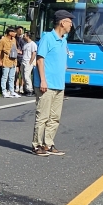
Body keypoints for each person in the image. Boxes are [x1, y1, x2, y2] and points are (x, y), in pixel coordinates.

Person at [31, 10, 73, 156]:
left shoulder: (64, 39)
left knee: (55, 117)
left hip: (59, 85)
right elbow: (40, 59)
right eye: (69, 22)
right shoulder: (47, 38)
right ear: (62, 22)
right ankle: (37, 145)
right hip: (46, 84)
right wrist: (43, 79)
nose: (71, 25)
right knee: (42, 116)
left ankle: (48, 144)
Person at [0, 27, 20, 97]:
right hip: (6, 60)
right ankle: (4, 91)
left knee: (12, 77)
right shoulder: (2, 40)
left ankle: (11, 91)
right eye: (14, 32)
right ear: (10, 32)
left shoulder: (14, 40)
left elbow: (15, 49)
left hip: (13, 60)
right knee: (5, 76)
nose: (15, 33)